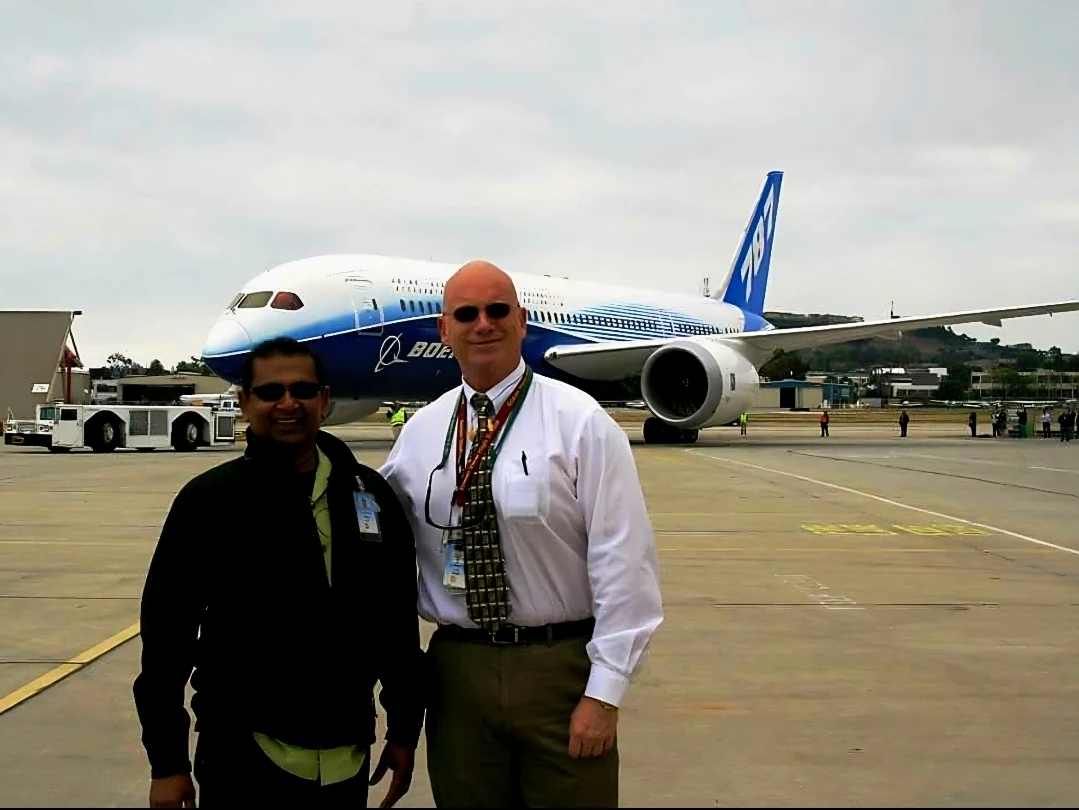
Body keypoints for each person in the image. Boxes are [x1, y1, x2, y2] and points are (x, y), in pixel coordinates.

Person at [379, 260, 664, 808]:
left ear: (522, 321)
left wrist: (604, 694)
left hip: (558, 668)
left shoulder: (580, 422)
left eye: (497, 310)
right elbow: (379, 541)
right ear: (444, 330)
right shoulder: (420, 434)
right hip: (458, 673)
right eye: (466, 313)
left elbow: (624, 563)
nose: (483, 324)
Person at [132, 337, 426, 809]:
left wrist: (404, 728)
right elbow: (167, 641)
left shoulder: (369, 494)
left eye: (303, 390)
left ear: (325, 400)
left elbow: (395, 621)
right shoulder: (210, 500)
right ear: (245, 403)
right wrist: (167, 762)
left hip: (347, 755)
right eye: (270, 392)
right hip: (244, 756)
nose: (288, 403)